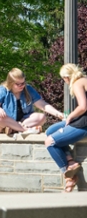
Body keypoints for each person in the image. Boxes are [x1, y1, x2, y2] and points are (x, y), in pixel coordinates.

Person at [44, 63, 87, 192]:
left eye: (64, 79)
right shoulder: (84, 80)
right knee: (50, 131)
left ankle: (68, 174)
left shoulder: (77, 83)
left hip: (83, 124)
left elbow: (83, 107)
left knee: (50, 142)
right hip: (82, 119)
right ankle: (70, 161)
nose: (64, 82)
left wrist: (70, 116)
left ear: (67, 77)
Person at [0, 68, 63, 135]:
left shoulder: (28, 89)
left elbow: (43, 105)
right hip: (5, 122)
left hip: (23, 121)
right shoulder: (1, 90)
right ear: (10, 83)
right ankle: (25, 129)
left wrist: (58, 114)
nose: (21, 86)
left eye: (23, 83)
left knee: (41, 117)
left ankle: (15, 129)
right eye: (18, 84)